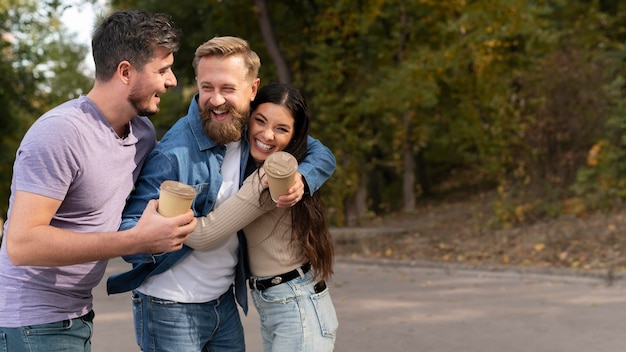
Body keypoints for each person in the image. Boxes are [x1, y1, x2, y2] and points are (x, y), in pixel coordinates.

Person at [106, 37, 336, 352]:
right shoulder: (174, 152)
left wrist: (302, 178)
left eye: (228, 89)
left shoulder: (251, 129)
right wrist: (153, 233)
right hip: (171, 306)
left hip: (223, 302)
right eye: (206, 88)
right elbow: (129, 228)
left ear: (252, 90)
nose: (216, 100)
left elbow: (317, 150)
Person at [0, 10, 197, 352]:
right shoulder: (60, 133)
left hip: (76, 314)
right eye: (162, 70)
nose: (172, 81)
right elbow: (21, 244)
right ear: (125, 72)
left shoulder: (142, 134)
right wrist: (136, 240)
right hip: (31, 323)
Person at [185, 82, 338, 351]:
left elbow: (203, 235)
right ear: (248, 118)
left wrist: (155, 213)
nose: (267, 135)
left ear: (294, 136)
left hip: (296, 306)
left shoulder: (270, 178)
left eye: (281, 129)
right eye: (260, 121)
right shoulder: (251, 159)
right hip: (283, 302)